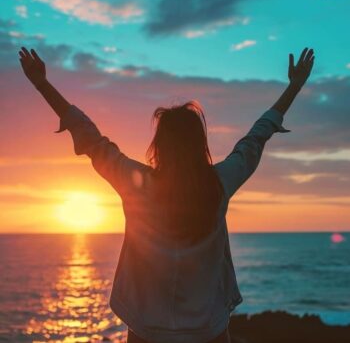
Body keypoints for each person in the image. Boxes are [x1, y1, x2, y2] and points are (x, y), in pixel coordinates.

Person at [19, 46, 314, 343]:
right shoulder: (219, 182)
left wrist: (42, 84)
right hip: (208, 331)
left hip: (147, 332)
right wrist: (293, 87)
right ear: (199, 143)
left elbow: (90, 137)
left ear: (159, 144)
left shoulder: (136, 183)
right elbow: (256, 137)